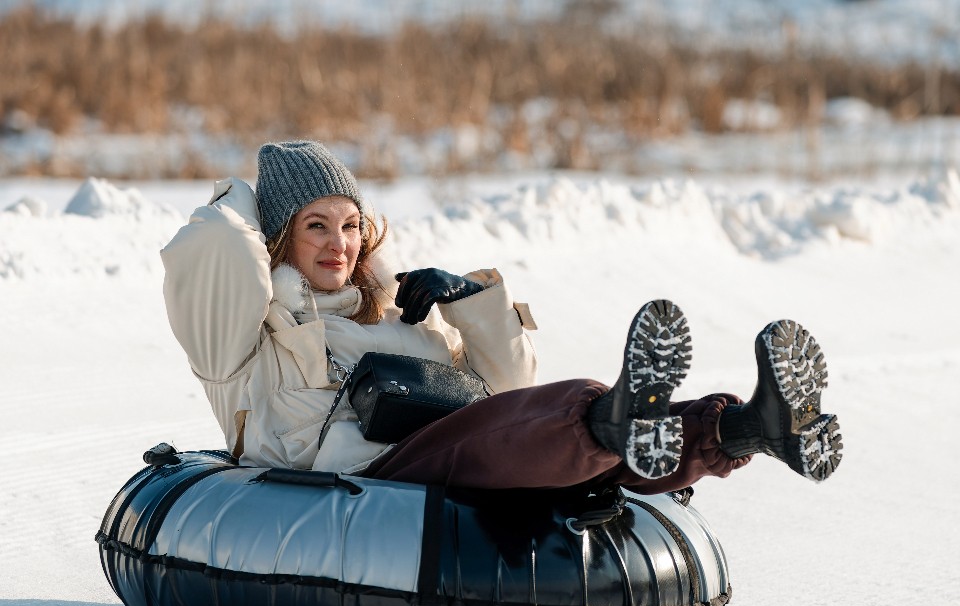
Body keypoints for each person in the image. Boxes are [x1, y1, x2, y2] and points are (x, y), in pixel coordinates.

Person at [161, 140, 842, 496]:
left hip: (459, 449)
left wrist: (465, 302)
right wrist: (248, 196)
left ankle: (749, 427)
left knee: (588, 457)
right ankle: (612, 416)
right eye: (315, 226)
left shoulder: (402, 313)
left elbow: (509, 385)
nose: (338, 243)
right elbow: (212, 246)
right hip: (369, 480)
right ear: (278, 237)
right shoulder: (250, 335)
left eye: (350, 225)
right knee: (536, 424)